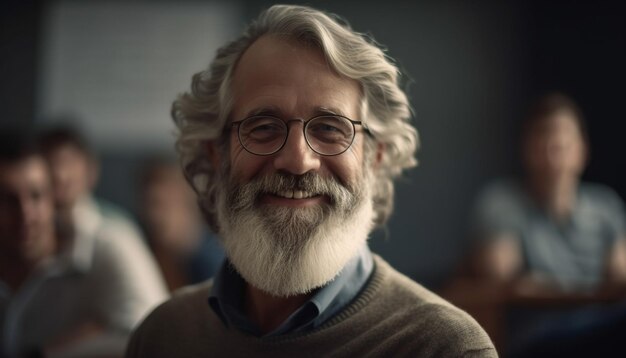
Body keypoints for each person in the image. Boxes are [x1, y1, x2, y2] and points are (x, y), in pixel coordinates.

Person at [126, 5, 496, 357]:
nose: (298, 161)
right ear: (216, 154)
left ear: (375, 157)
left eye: (330, 129)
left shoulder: (443, 347)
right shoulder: (163, 336)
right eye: (264, 127)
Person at [470, 92, 626, 354]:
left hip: (601, 330)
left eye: (563, 138)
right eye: (543, 136)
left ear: (582, 150)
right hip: (539, 339)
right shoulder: (502, 202)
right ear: (526, 148)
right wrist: (589, 293)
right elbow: (501, 278)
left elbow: (620, 279)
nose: (554, 146)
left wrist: (541, 284)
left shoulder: (605, 206)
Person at [0, 128, 167, 357]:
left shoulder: (109, 243)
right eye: (8, 200)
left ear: (53, 197)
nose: (26, 213)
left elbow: (156, 337)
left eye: (36, 195)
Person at [137, 157, 224, 291]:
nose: (153, 216)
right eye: (148, 205)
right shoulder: (145, 254)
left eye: (160, 204)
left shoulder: (213, 266)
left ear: (185, 200)